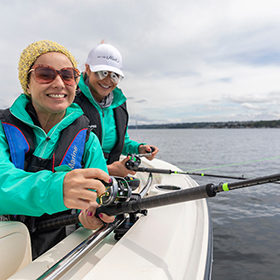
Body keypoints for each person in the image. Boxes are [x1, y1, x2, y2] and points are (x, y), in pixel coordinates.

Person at [0, 40, 114, 259]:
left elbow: (97, 196)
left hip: (57, 247)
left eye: (68, 75)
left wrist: (91, 213)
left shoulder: (88, 140)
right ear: (27, 83)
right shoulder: (2, 128)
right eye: (45, 74)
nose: (59, 83)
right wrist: (57, 189)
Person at [75, 42, 159, 177]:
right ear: (88, 69)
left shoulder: (119, 105)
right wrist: (108, 170)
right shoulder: (71, 99)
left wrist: (139, 148)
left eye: (114, 75)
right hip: (79, 179)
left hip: (110, 178)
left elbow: (122, 142)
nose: (108, 81)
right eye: (102, 73)